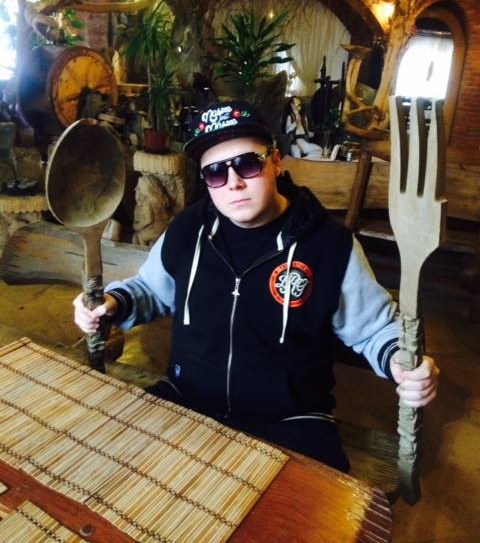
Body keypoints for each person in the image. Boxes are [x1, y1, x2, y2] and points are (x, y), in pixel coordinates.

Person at [73, 99, 439, 472]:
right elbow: (151, 291)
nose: (233, 182)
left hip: (290, 423)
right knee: (107, 469)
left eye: (248, 163)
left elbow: (375, 329)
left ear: (275, 162)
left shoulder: (329, 246)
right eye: (215, 172)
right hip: (186, 402)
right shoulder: (188, 229)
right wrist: (111, 304)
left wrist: (402, 362)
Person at [283, 95, 323, 159]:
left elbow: (306, 131)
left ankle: (306, 160)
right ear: (292, 105)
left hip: (303, 141)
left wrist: (312, 133)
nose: (299, 104)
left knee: (319, 149)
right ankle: (302, 161)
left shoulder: (303, 116)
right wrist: (295, 124)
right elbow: (287, 131)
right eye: (297, 102)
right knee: (297, 154)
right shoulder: (290, 116)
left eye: (299, 102)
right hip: (294, 142)